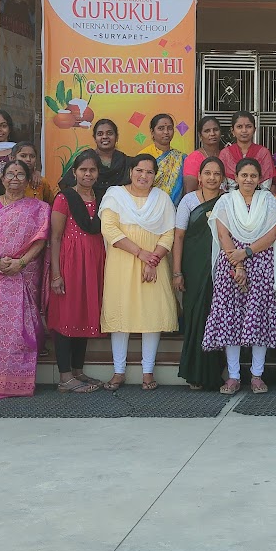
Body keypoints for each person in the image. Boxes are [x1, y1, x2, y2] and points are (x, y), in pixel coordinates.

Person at [206, 157, 276, 395]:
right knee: (231, 318)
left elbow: (272, 235)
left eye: (253, 176)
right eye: (244, 175)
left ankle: (257, 376)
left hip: (261, 261)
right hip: (231, 262)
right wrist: (238, 264)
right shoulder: (226, 201)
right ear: (235, 178)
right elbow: (223, 235)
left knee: (258, 317)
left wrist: (247, 252)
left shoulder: (268, 201)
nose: (248, 180)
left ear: (259, 179)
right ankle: (233, 376)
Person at [101, 153, 180, 391]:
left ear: (155, 176)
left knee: (151, 317)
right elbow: (109, 230)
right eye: (139, 171)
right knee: (120, 316)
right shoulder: (115, 195)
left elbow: (169, 233)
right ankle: (118, 372)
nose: (143, 176)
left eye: (149, 172)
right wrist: (140, 253)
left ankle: (148, 373)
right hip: (122, 263)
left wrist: (152, 259)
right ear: (131, 171)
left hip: (154, 265)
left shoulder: (162, 198)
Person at [0, 161, 50, 400]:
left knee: (20, 328)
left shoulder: (38, 208)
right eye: (10, 174)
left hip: (23, 274)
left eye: (20, 174)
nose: (15, 178)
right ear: (2, 179)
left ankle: (17, 383)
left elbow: (40, 240)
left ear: (27, 180)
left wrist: (21, 263)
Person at [47, 152, 105, 393]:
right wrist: (56, 274)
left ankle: (78, 371)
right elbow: (56, 237)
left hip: (93, 263)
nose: (88, 174)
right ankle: (65, 377)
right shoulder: (65, 198)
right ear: (75, 172)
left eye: (92, 170)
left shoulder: (103, 197)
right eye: (83, 170)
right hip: (70, 263)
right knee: (66, 315)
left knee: (84, 314)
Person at [174, 156, 227, 391]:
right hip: (193, 265)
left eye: (217, 174)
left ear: (223, 178)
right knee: (196, 316)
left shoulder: (228, 201)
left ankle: (216, 373)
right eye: (208, 173)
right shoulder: (188, 201)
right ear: (199, 176)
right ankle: (194, 374)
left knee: (216, 316)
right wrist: (177, 272)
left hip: (220, 266)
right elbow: (179, 236)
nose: (212, 178)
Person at [61, 119, 130, 196]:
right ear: (95, 138)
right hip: (88, 204)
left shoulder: (125, 161)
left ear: (116, 137)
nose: (104, 137)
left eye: (109, 133)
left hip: (118, 205)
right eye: (100, 134)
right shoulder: (86, 158)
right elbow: (66, 184)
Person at [219, 111, 276, 191]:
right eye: (239, 127)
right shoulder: (225, 154)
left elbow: (266, 185)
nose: (244, 130)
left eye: (248, 126)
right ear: (232, 131)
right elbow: (221, 184)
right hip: (231, 199)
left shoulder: (263, 153)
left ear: (254, 130)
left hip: (258, 199)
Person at [142, 113, 187, 204]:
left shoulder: (182, 158)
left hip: (174, 209)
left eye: (169, 128)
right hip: (148, 206)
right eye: (161, 128)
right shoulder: (143, 156)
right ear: (152, 132)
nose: (166, 132)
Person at [180, 116, 224, 198]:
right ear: (200, 136)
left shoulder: (226, 155)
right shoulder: (193, 158)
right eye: (207, 131)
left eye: (215, 130)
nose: (212, 134)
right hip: (201, 204)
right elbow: (189, 192)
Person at [9, 142, 54, 207]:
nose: (28, 159)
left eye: (32, 156)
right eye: (23, 156)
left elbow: (51, 205)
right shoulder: (6, 180)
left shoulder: (40, 182)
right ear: (13, 158)